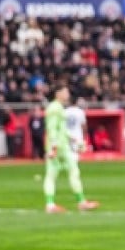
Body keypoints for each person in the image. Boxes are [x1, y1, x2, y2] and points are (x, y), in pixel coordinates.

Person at [43, 85, 98, 214]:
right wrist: (53, 147)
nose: (67, 93)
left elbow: (61, 129)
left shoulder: (58, 108)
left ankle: (52, 204)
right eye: (65, 91)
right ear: (58, 93)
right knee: (68, 172)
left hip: (61, 146)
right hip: (59, 147)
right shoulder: (54, 109)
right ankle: (79, 202)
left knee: (57, 174)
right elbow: (52, 129)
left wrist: (75, 140)